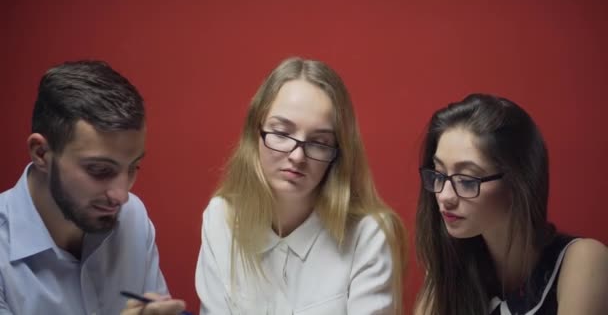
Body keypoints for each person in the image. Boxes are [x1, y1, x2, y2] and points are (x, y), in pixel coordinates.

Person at [195, 57, 407, 314]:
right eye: (282, 133)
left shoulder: (368, 235)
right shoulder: (221, 219)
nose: (297, 156)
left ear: (338, 153)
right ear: (255, 132)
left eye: (319, 142)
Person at [0, 60, 187, 314]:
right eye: (99, 170)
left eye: (133, 168)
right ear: (41, 153)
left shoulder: (134, 218)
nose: (121, 196)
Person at [414, 93, 608, 315]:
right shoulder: (450, 267)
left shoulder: (583, 261)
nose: (445, 196)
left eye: (467, 180)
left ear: (518, 182)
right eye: (439, 174)